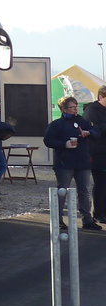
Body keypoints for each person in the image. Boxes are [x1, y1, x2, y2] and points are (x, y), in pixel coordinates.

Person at [44, 95, 101, 230]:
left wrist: (89, 132)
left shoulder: (82, 121)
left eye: (76, 107)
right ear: (64, 109)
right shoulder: (56, 124)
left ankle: (87, 220)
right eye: (72, 107)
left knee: (84, 191)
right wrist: (64, 144)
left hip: (83, 161)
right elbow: (48, 140)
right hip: (64, 163)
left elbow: (96, 132)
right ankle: (58, 220)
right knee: (62, 190)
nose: (75, 110)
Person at [83, 86, 106, 221]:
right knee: (101, 183)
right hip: (98, 153)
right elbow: (93, 129)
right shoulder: (92, 110)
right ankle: (99, 213)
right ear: (100, 97)